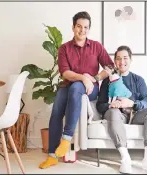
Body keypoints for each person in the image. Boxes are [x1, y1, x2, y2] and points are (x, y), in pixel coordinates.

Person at [39, 11, 114, 169]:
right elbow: (65, 73)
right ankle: (52, 156)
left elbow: (109, 66)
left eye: (86, 27)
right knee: (57, 110)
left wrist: (95, 78)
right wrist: (83, 77)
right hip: (69, 84)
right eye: (79, 26)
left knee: (77, 88)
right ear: (73, 27)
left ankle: (66, 139)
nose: (82, 30)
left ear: (89, 29)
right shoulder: (64, 49)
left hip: (90, 89)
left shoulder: (96, 46)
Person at [96, 45, 147, 174]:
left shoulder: (138, 80)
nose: (122, 62)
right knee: (113, 113)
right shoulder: (107, 82)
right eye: (118, 59)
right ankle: (125, 159)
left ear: (131, 60)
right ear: (114, 61)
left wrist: (132, 103)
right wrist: (111, 105)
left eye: (125, 58)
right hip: (117, 115)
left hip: (135, 115)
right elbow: (100, 105)